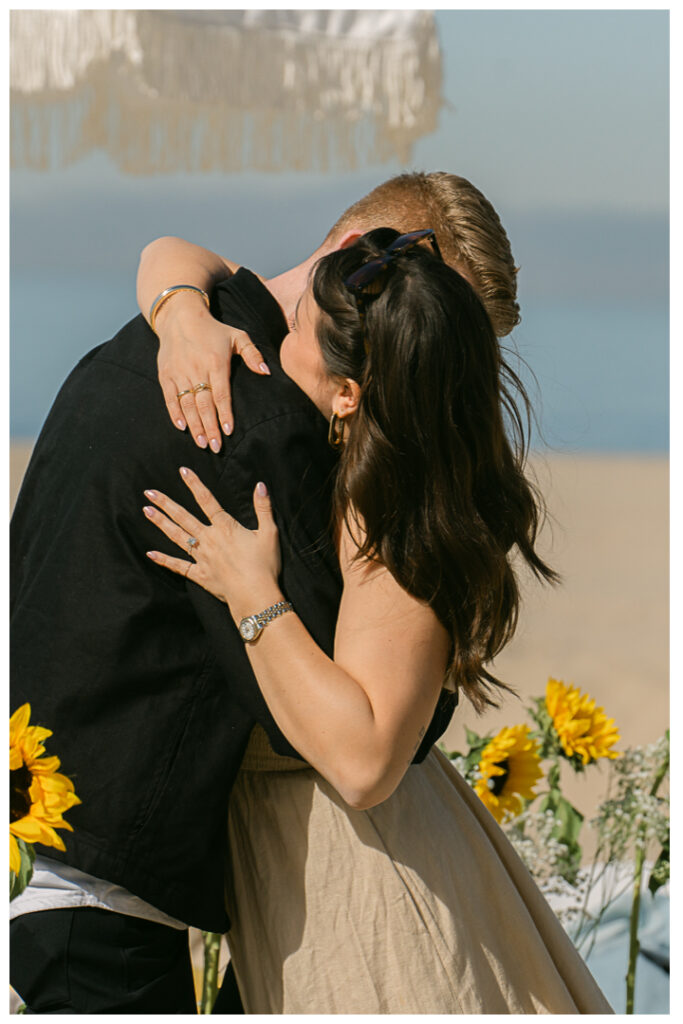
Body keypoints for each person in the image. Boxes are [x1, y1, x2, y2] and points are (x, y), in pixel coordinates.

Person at [10, 172, 518, 1013]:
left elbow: (184, 256)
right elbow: (370, 733)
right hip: (88, 896)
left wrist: (175, 295)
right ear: (362, 263)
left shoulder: (167, 336)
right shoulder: (253, 435)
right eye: (420, 332)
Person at [140, 227, 613, 1013]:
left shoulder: (396, 513)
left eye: (291, 331)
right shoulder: (377, 462)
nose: (274, 334)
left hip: (365, 877)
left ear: (349, 394)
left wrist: (251, 594)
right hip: (323, 858)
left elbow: (363, 763)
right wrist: (179, 311)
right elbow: (173, 251)